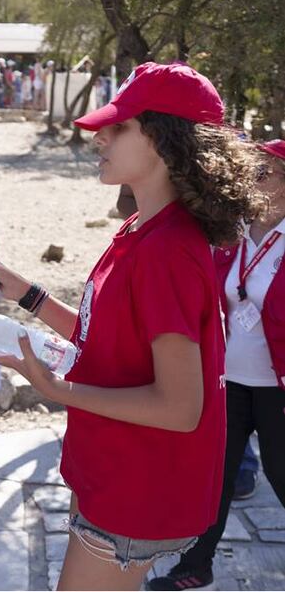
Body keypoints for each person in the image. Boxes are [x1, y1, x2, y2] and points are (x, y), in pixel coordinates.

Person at [0, 62, 265, 591]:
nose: (100, 136)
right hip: (115, 474)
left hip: (135, 489)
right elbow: (105, 340)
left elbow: (179, 407)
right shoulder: (142, 229)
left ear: (166, 141)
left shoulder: (167, 250)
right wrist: (26, 294)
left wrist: (55, 388)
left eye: (119, 126)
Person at [148, 138, 285, 591]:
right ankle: (194, 566)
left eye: (264, 173)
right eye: (253, 172)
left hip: (276, 385)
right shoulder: (236, 231)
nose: (254, 180)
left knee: (280, 474)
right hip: (230, 380)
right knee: (215, 475)